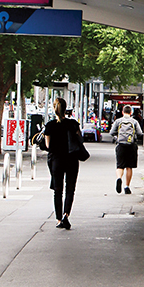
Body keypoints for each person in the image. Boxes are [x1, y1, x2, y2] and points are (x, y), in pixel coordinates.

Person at [43, 97, 86, 229]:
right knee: (70, 188)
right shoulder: (73, 124)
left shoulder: (50, 125)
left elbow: (48, 145)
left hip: (56, 160)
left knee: (58, 190)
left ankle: (58, 219)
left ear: (54, 108)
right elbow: (80, 141)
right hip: (71, 159)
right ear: (66, 108)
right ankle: (66, 215)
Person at [110, 105, 143, 194]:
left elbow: (111, 132)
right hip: (131, 146)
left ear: (122, 112)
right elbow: (140, 133)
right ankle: (127, 186)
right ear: (131, 112)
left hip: (120, 145)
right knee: (129, 167)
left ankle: (119, 178)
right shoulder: (134, 122)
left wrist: (117, 138)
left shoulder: (118, 121)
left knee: (120, 166)